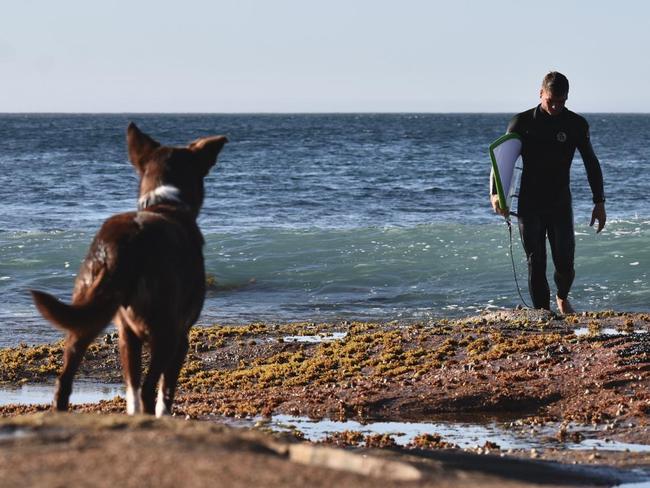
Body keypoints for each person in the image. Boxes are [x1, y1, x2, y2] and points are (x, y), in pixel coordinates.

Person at [491, 71, 606, 314]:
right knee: (536, 261)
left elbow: (591, 163)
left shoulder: (575, 124)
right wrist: (496, 194)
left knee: (565, 263)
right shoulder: (521, 123)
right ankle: (544, 313)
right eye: (550, 100)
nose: (555, 106)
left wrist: (599, 201)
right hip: (530, 202)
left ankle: (562, 296)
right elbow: (502, 161)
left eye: (561, 102)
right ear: (540, 93)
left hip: (560, 202)